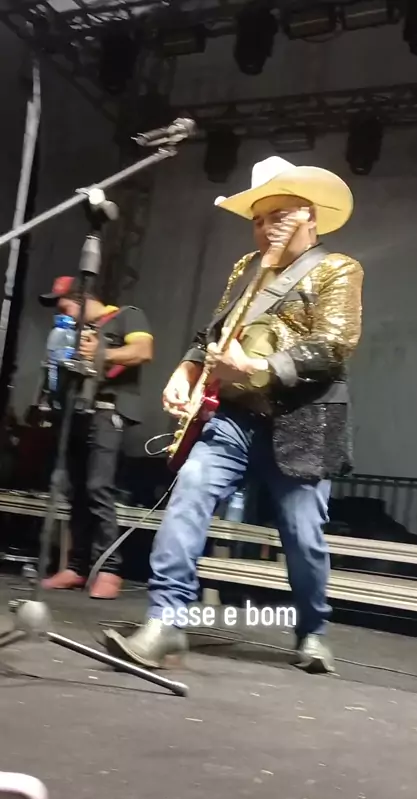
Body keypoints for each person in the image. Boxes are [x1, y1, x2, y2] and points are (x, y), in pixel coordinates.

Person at [104, 155, 364, 670]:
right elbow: (214, 332)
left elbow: (334, 347)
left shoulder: (338, 269)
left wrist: (258, 367)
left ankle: (312, 631)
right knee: (190, 492)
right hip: (234, 419)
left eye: (279, 216)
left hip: (303, 422)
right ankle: (165, 621)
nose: (266, 228)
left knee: (304, 537)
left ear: (310, 217)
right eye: (259, 219)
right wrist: (187, 367)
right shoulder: (247, 269)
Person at [38, 276, 153, 599]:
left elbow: (144, 351)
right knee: (75, 491)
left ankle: (109, 569)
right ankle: (76, 566)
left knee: (98, 487)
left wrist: (102, 351)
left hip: (107, 410)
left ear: (83, 299)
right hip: (77, 413)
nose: (64, 316)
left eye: (66, 309)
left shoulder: (127, 315)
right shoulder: (71, 332)